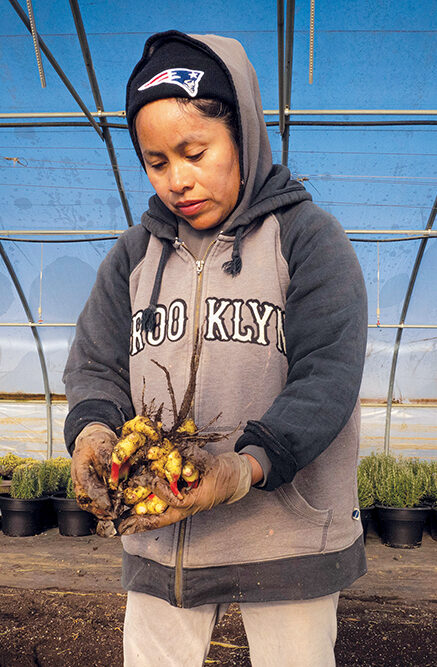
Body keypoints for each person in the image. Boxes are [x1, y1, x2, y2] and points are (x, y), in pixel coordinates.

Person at [63, 30, 368, 667]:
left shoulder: (308, 239)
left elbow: (328, 374)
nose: (178, 179)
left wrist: (244, 466)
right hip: (161, 538)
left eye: (195, 151)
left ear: (243, 134)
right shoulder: (134, 257)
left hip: (286, 541)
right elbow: (96, 363)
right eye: (156, 161)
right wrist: (93, 431)